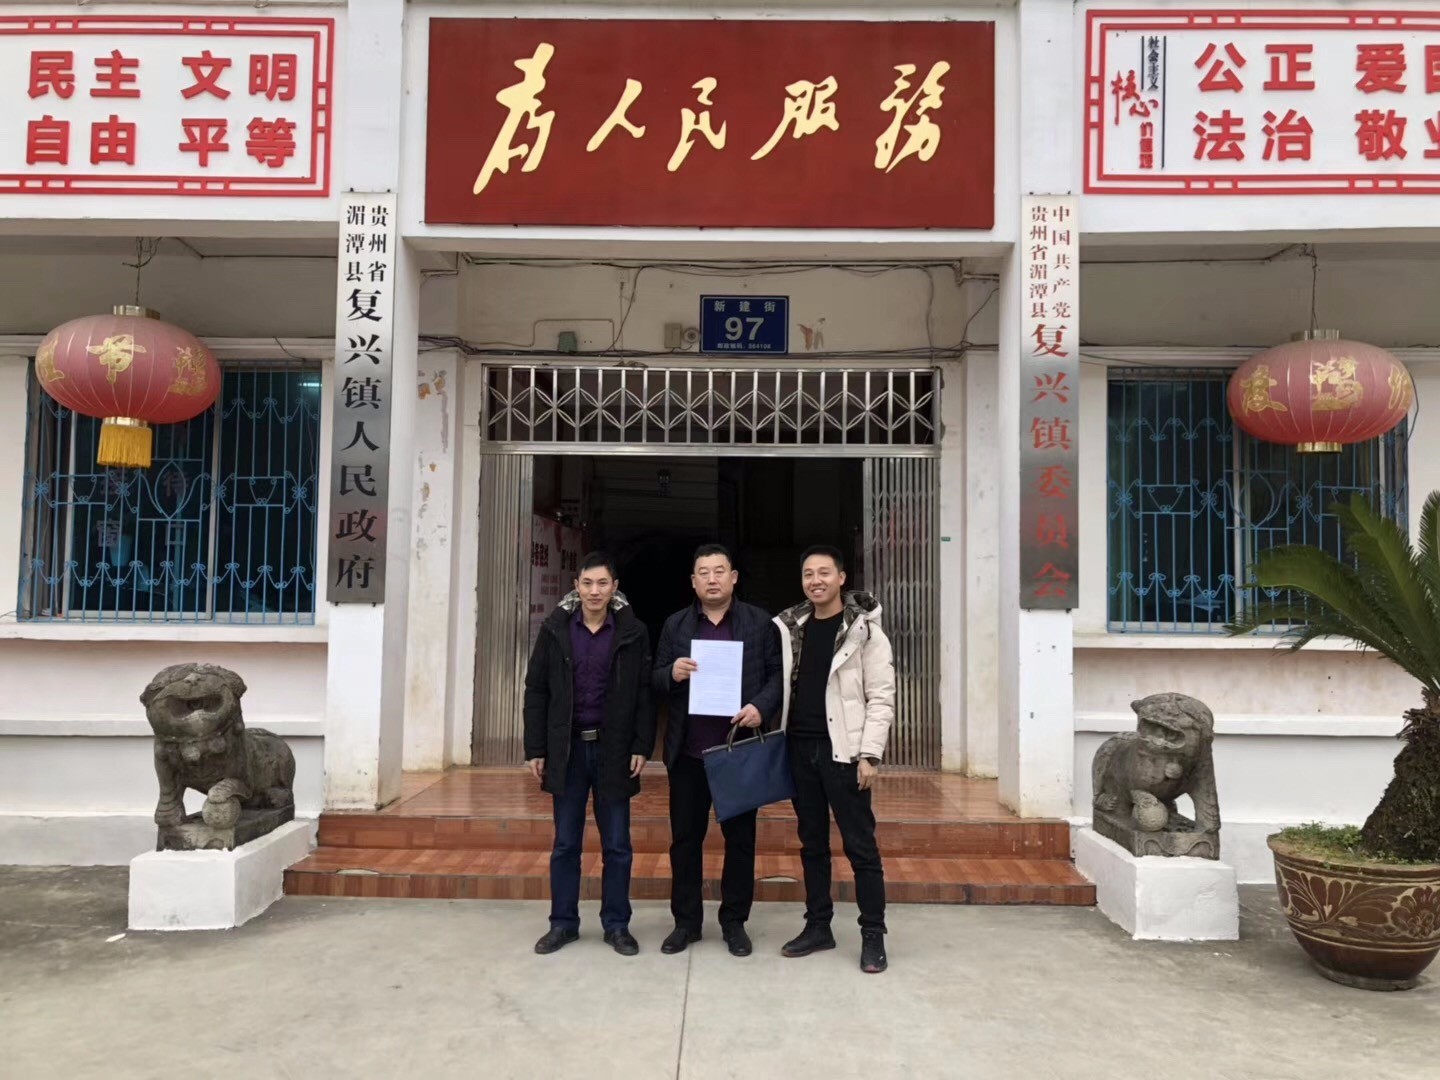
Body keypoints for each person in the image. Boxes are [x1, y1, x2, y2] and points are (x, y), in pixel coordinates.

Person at [653, 544, 782, 958]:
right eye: (704, 573)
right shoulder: (675, 625)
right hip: (689, 754)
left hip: (736, 753)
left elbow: (778, 676)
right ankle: (686, 923)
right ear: (693, 582)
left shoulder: (759, 623)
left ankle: (734, 923)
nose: (712, 579)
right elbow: (653, 678)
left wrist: (760, 707)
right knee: (685, 841)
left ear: (734, 577)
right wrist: (671, 673)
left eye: (719, 571)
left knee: (740, 841)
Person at [524, 551, 655, 957]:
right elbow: (536, 689)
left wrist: (642, 745)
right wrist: (536, 748)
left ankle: (617, 925)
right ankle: (562, 923)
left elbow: (644, 692)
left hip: (614, 750)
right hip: (567, 751)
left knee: (617, 844)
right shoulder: (556, 629)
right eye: (587, 583)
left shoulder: (632, 632)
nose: (594, 591)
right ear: (576, 586)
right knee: (566, 843)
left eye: (602, 583)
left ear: (614, 587)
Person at [773, 545, 895, 974]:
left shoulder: (866, 633)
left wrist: (870, 755)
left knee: (861, 848)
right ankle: (818, 926)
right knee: (812, 845)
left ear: (842, 578)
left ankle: (873, 935)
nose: (816, 581)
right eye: (808, 574)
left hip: (845, 753)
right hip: (799, 750)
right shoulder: (791, 627)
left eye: (824, 572)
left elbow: (881, 698)